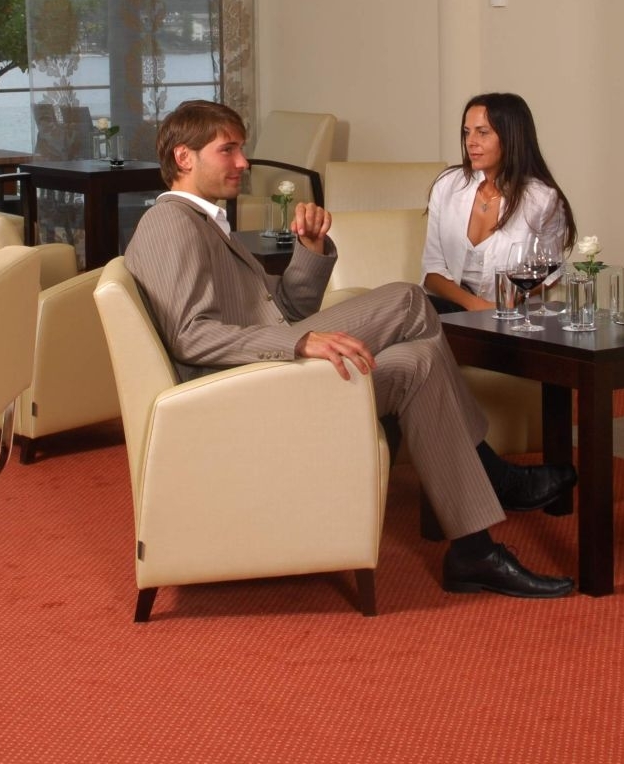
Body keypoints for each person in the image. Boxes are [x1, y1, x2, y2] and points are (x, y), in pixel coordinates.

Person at [124, 99, 577, 599]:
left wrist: (311, 251)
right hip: (237, 395)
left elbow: (284, 309)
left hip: (262, 377)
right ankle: (494, 474)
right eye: (227, 150)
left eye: (241, 149)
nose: (243, 162)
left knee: (420, 362)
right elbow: (191, 334)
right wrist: (299, 340)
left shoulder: (206, 222)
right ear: (184, 158)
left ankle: (473, 554)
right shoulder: (170, 223)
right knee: (407, 299)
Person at [422, 93, 576, 313]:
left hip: (511, 316)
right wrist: (476, 306)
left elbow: (552, 271)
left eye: (482, 132)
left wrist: (512, 298)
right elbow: (432, 270)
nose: (470, 142)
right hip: (450, 312)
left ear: (511, 137)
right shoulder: (447, 185)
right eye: (467, 132)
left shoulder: (542, 199)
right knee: (405, 297)